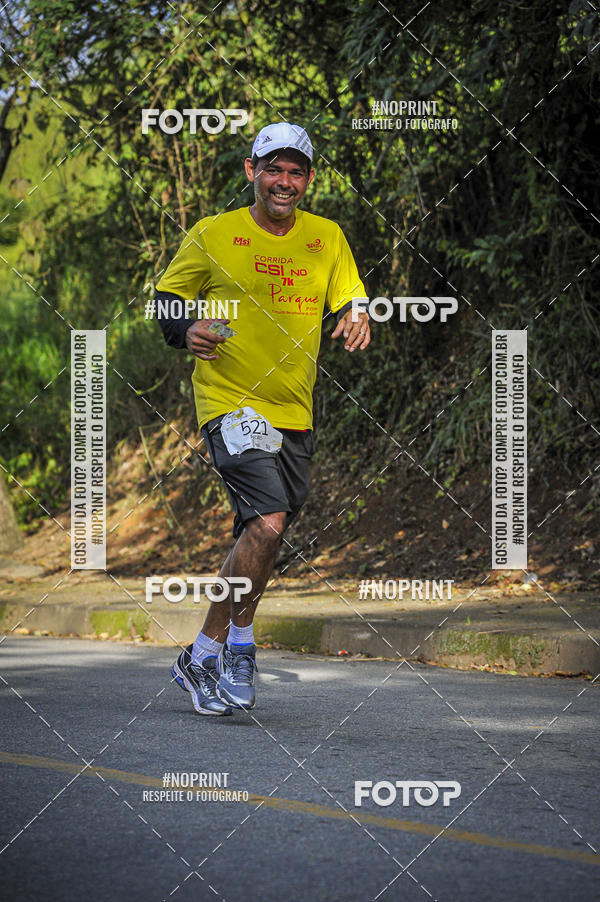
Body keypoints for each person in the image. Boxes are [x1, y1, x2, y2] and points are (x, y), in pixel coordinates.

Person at [155, 122, 370, 715]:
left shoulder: (327, 238)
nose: (284, 181)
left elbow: (349, 296)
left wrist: (357, 315)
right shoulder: (213, 234)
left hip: (294, 410)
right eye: (272, 169)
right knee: (269, 521)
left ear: (307, 179)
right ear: (251, 172)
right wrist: (185, 329)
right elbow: (167, 298)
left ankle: (200, 652)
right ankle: (242, 645)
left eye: (295, 171)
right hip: (228, 402)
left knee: (259, 538)